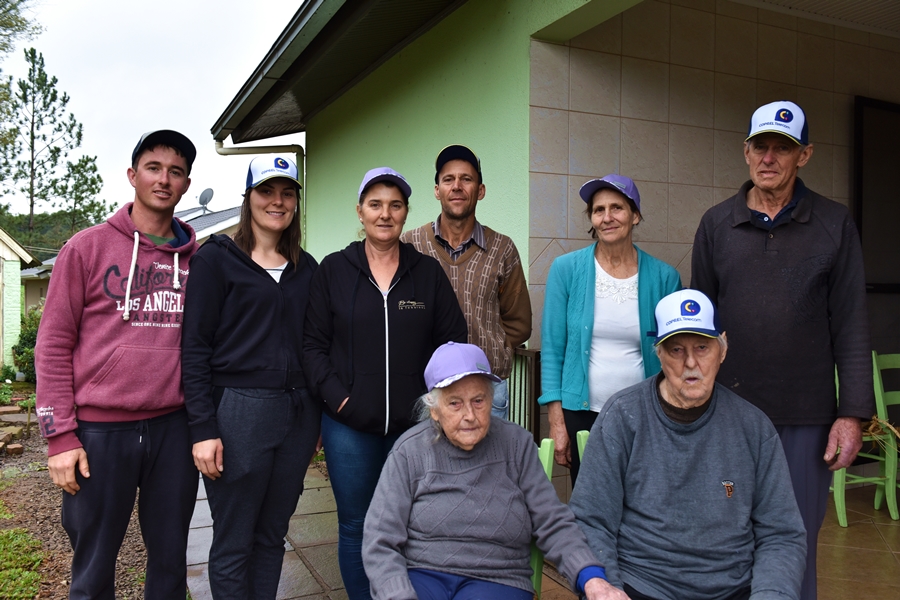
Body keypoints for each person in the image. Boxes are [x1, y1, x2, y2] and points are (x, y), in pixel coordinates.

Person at [691, 100, 874, 600]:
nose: (769, 158)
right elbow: (699, 331)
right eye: (761, 146)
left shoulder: (834, 224)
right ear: (745, 152)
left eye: (783, 148)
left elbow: (853, 322)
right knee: (724, 536)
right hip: (728, 413)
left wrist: (852, 414)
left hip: (806, 418)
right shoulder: (715, 225)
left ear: (805, 155)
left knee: (793, 540)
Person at [35, 130, 200, 599]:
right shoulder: (85, 249)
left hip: (174, 429)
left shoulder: (197, 261)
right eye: (153, 167)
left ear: (187, 183)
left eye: (175, 171)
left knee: (170, 563)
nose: (163, 179)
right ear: (132, 175)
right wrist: (59, 438)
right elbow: (51, 345)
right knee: (93, 567)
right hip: (99, 432)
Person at [570, 289, 807, 600]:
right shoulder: (623, 416)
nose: (691, 363)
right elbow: (590, 518)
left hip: (733, 589)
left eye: (702, 347)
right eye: (676, 349)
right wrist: (607, 587)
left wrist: (771, 594)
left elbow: (782, 534)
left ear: (722, 349)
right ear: (659, 353)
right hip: (642, 586)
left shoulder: (753, 427)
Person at [303, 167, 468, 599]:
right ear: (360, 212)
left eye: (395, 205)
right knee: (357, 523)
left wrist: (432, 405)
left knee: (410, 523)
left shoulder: (426, 274)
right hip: (348, 427)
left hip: (414, 429)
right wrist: (339, 400)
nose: (384, 214)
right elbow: (312, 347)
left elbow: (452, 344)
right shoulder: (334, 271)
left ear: (405, 213)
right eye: (375, 204)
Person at [362, 341, 626, 600]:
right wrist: (397, 594)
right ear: (434, 410)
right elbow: (380, 539)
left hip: (498, 578)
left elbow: (552, 521)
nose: (469, 415)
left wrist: (591, 577)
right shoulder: (409, 451)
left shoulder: (516, 444)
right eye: (454, 403)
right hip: (422, 576)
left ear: (491, 400)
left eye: (478, 400)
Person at [181, 155, 320, 599]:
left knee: (272, 534)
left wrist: (316, 413)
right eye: (266, 191)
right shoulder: (216, 260)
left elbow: (314, 345)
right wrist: (203, 429)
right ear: (248, 198)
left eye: (287, 192)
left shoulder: (306, 268)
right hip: (239, 412)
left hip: (298, 415)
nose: (277, 201)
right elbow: (194, 348)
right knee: (235, 538)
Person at [539, 174, 681, 483]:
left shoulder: (665, 277)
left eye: (617, 207)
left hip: (647, 416)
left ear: (635, 215)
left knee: (645, 500)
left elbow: (675, 356)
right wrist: (557, 423)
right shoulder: (566, 270)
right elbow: (552, 349)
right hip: (582, 416)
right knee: (591, 506)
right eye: (598, 210)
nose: (607, 217)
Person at [401, 145, 532, 419]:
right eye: (448, 179)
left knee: (487, 463)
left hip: (486, 392)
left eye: (467, 179)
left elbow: (518, 322)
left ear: (480, 190)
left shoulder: (502, 248)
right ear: (437, 190)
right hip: (426, 390)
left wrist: (488, 349)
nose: (457, 186)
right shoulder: (410, 245)